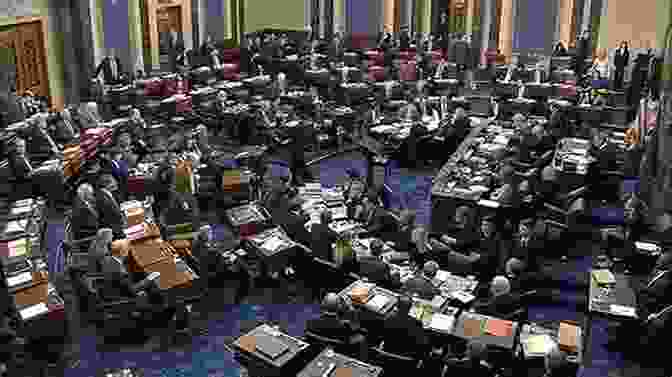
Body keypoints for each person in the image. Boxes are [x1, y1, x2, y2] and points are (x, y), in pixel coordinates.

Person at [381, 295, 430, 359]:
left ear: (396, 306)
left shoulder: (388, 318)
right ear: (410, 308)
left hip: (389, 350)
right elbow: (423, 343)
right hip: (409, 355)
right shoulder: (415, 323)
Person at [95, 174, 125, 240]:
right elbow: (111, 219)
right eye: (114, 181)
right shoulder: (103, 199)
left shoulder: (105, 193)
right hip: (115, 232)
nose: (116, 183)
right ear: (107, 184)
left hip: (118, 225)